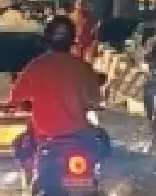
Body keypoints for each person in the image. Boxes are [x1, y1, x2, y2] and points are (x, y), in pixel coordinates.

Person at [8, 13, 105, 152]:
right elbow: (96, 100)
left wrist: (18, 105)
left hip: (44, 136)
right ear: (72, 40)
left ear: (47, 39)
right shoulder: (83, 67)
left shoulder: (36, 66)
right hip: (78, 135)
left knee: (20, 148)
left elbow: (15, 98)